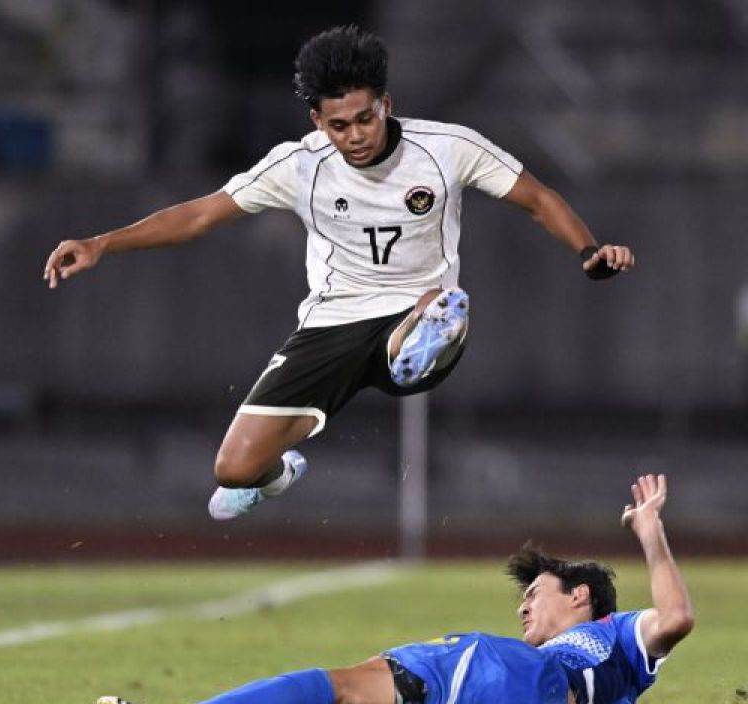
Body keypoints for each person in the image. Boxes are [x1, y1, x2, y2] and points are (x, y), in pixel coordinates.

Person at [43, 25, 636, 520]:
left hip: (411, 311)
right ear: (317, 120)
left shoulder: (448, 149)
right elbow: (201, 214)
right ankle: (278, 473)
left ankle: (433, 332)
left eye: (364, 118)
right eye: (338, 125)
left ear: (386, 104)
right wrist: (103, 243)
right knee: (234, 468)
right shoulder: (300, 165)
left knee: (432, 314)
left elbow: (536, 197)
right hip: (331, 324)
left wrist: (588, 251)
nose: (354, 136)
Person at [93, 474, 693, 704]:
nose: (524, 606)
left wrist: (650, 531)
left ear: (582, 597)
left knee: (341, 685)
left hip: (508, 690)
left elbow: (677, 615)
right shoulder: (618, 686)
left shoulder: (613, 636)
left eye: (536, 592)